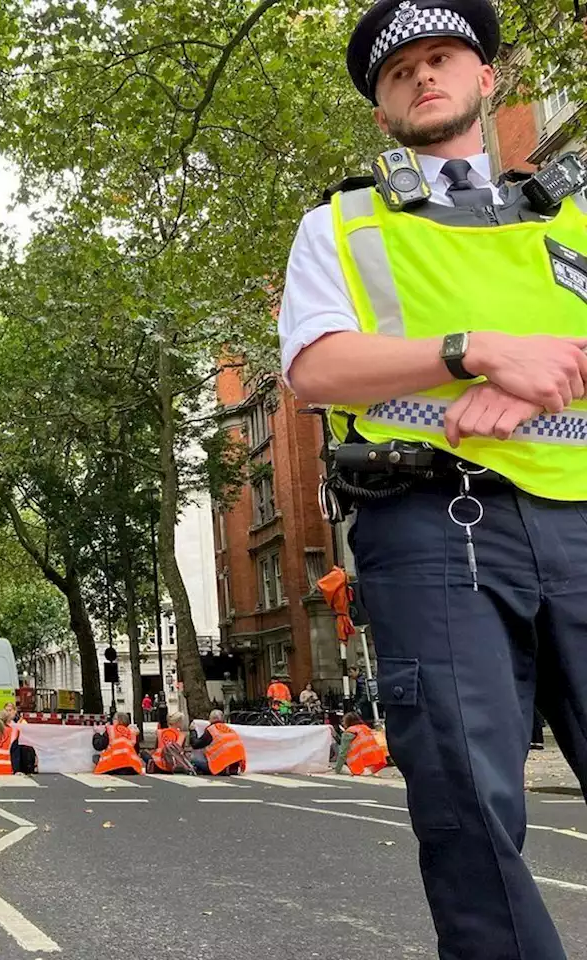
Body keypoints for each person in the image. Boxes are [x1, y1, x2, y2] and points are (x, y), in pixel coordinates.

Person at [281, 1, 587, 954]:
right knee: (463, 792)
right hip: (430, 521)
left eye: (443, 57)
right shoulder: (341, 224)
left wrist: (539, 383)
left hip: (579, 518)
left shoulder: (574, 215)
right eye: (398, 70)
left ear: (487, 78)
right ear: (381, 109)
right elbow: (316, 369)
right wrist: (472, 352)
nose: (423, 75)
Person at [189, 710, 245, 777]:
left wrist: (193, 731)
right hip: (234, 768)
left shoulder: (212, 730)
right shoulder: (230, 730)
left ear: (211, 719)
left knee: (192, 757)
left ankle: (201, 770)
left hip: (218, 767)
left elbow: (196, 745)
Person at [333, 712, 390, 776]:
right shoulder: (365, 728)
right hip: (376, 762)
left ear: (348, 722)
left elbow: (343, 753)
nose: (342, 723)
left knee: (342, 769)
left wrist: (337, 770)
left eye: (343, 721)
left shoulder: (349, 732)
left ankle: (363, 772)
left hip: (360, 764)